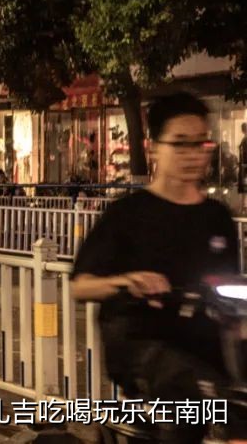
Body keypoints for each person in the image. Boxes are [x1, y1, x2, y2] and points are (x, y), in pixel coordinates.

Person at [70, 92, 237, 444]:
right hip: (142, 342)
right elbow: (80, 285)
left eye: (200, 143)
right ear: (153, 147)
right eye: (179, 144)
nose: (192, 154)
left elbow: (229, 289)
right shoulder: (128, 214)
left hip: (204, 344)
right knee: (188, 396)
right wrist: (129, 281)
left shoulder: (218, 217)